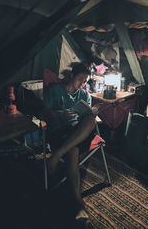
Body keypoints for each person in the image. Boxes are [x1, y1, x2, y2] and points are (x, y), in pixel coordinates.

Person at [43, 63, 99, 223]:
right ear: (72, 76)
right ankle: (78, 202)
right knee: (73, 154)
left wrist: (91, 112)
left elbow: (86, 115)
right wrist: (61, 114)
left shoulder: (84, 95)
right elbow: (45, 111)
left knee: (91, 119)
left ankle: (57, 155)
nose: (82, 83)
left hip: (79, 132)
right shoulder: (55, 90)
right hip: (60, 132)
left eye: (85, 81)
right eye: (80, 79)